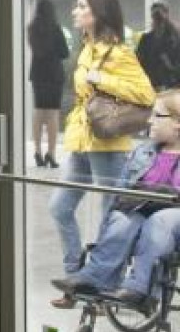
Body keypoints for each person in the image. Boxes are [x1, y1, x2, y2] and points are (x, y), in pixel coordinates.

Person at [48, 0, 155, 308]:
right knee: (59, 207)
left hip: (108, 142)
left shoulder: (118, 53)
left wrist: (101, 78)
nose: (74, 11)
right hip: (82, 139)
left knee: (111, 216)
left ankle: (105, 280)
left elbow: (146, 94)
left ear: (98, 13)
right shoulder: (86, 48)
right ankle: (76, 277)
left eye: (81, 6)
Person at [50, 88, 180, 311]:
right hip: (141, 205)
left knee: (159, 221)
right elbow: (121, 191)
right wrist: (115, 213)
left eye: (157, 116)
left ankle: (141, 289)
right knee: (122, 219)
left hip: (171, 215)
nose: (149, 121)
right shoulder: (143, 152)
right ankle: (93, 278)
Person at [27, 0, 69, 169]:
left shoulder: (31, 29)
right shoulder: (55, 29)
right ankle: (51, 154)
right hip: (53, 75)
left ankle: (37, 151)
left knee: (38, 112)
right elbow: (64, 53)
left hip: (38, 74)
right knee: (52, 114)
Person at [136, 2, 180, 91]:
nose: (158, 19)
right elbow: (138, 62)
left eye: (160, 16)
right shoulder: (145, 39)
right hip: (150, 86)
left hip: (171, 86)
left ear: (167, 15)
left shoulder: (176, 38)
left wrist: (170, 66)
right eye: (155, 16)